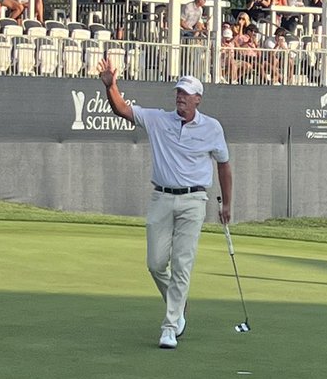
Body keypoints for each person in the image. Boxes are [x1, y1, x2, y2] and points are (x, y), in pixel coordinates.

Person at [97, 65, 232, 349]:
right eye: (178, 92)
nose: (180, 96)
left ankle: (170, 326)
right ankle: (179, 303)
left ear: (198, 99)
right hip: (161, 198)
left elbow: (223, 164)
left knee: (182, 264)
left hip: (194, 201)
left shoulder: (212, 127)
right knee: (156, 264)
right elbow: (122, 109)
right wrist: (110, 86)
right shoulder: (158, 119)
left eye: (187, 93)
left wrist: (227, 203)